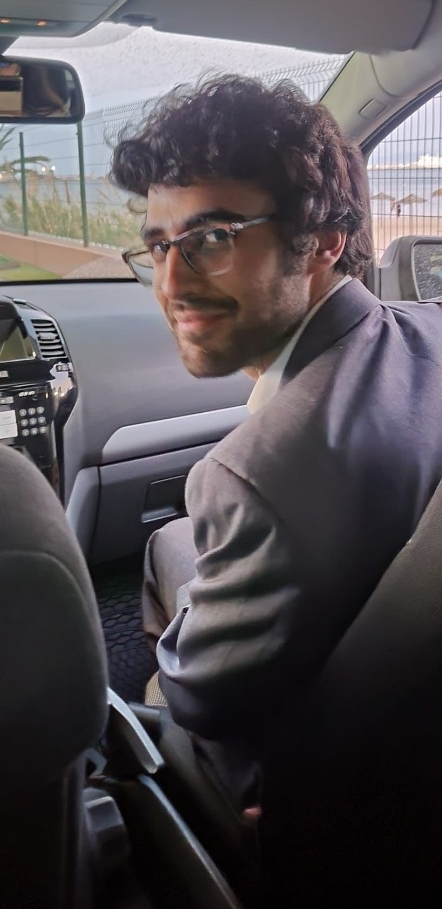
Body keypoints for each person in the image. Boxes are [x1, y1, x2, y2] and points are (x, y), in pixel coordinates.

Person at [112, 75, 442, 901]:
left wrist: (173, 676)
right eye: (158, 246)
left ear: (323, 241)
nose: (172, 284)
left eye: (212, 238)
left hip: (328, 806)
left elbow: (207, 701)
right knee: (176, 542)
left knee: (160, 657)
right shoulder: (431, 330)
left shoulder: (251, 474)